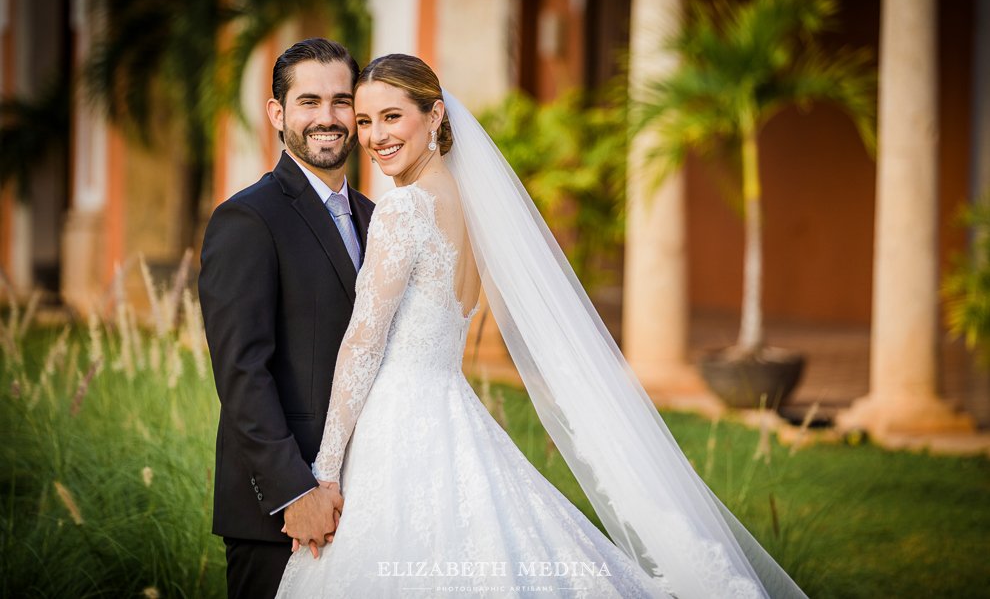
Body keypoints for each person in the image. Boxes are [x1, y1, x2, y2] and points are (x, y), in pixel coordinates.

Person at [275, 54, 808, 599]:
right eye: (364, 121)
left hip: (396, 430)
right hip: (451, 411)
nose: (374, 136)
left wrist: (327, 472)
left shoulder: (402, 209)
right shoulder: (468, 206)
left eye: (392, 117)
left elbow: (363, 343)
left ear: (434, 116)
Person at [198, 38, 374, 599]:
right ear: (278, 113)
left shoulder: (382, 219)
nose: (327, 118)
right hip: (282, 517)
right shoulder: (248, 218)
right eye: (309, 102)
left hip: (372, 497)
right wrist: (293, 492)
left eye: (341, 102)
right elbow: (242, 371)